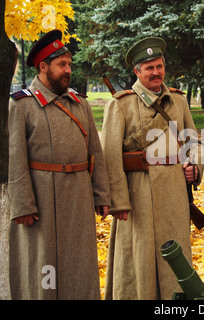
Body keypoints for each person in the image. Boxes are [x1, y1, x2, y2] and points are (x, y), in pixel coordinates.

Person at [8, 29, 111, 299]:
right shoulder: (22, 106)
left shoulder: (80, 104)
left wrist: (101, 194)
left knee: (80, 263)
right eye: (61, 65)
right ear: (43, 67)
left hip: (78, 196)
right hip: (41, 201)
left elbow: (95, 155)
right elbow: (16, 159)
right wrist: (23, 205)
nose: (68, 70)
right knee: (45, 267)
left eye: (69, 64)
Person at [101, 37, 204, 300]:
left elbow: (193, 141)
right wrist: (119, 201)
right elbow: (110, 156)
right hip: (138, 195)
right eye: (149, 68)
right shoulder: (120, 103)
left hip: (174, 193)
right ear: (136, 72)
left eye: (159, 66)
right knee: (140, 260)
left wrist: (194, 164)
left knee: (176, 260)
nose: (156, 72)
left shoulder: (179, 101)